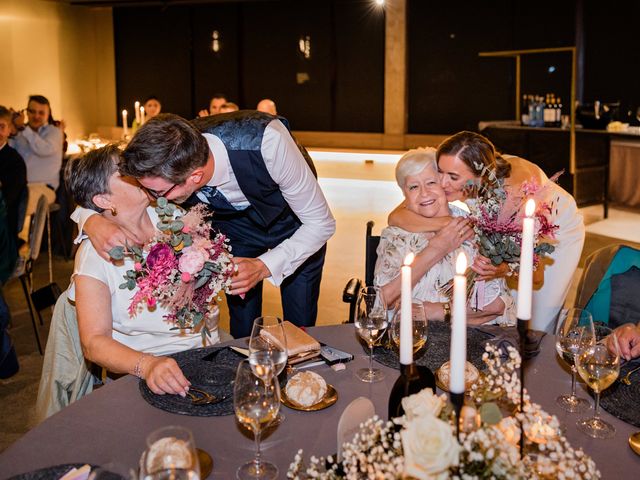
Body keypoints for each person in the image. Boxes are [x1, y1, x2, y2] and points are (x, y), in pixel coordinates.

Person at [74, 112, 336, 338]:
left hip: (296, 229)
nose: (151, 197)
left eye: (159, 193)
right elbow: (96, 187)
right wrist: (90, 219)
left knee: (300, 328)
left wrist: (265, 265)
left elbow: (321, 224)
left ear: (195, 177)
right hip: (235, 235)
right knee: (243, 331)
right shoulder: (167, 150)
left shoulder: (268, 142)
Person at [388, 131, 585, 332]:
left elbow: (536, 274)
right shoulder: (462, 168)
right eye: (440, 172)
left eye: (453, 177)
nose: (442, 183)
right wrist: (452, 224)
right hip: (502, 232)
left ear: (480, 176)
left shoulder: (513, 196)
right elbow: (396, 217)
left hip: (555, 233)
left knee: (535, 321)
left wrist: (505, 268)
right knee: (504, 307)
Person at [66, 144, 221, 396]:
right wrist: (148, 365)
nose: (138, 172)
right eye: (125, 171)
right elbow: (94, 342)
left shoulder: (172, 217)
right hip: (144, 374)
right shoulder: (94, 255)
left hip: (205, 354)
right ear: (104, 200)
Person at [375, 149, 513, 325]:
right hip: (411, 338)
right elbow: (380, 303)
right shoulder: (396, 236)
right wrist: (436, 250)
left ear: (445, 185)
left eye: (431, 182)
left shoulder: (474, 229)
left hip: (474, 340)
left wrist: (433, 310)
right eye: (413, 187)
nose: (424, 193)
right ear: (404, 194)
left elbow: (494, 305)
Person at [9, 95, 63, 215]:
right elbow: (9, 156)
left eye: (41, 113)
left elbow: (43, 149)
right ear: (26, 112)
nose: (36, 116)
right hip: (19, 186)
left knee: (17, 203)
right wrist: (12, 130)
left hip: (44, 189)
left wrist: (22, 127)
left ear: (48, 115)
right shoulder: (21, 133)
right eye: (32, 111)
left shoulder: (55, 132)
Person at [0, 106, 27, 241]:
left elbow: (7, 201)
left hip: (4, 226)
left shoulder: (15, 162)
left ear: (10, 129)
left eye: (1, 126)